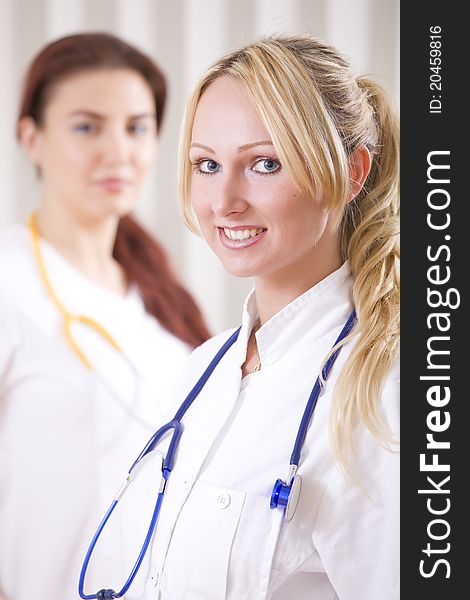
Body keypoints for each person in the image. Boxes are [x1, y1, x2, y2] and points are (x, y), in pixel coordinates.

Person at [114, 34, 398, 600]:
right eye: (207, 164)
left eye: (264, 163)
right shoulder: (200, 374)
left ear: (351, 173)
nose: (224, 201)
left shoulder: (385, 393)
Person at [0, 33, 210, 600]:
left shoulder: (166, 301)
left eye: (137, 127)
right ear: (31, 138)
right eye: (87, 126)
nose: (119, 151)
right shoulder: (9, 282)